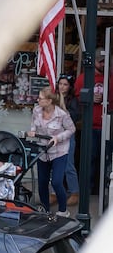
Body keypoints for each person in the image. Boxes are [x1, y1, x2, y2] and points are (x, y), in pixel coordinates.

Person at [28, 86, 76, 215]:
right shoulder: (36, 110)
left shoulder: (62, 115)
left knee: (56, 181)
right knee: (42, 183)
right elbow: (33, 123)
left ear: (49, 101)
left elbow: (71, 130)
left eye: (41, 98)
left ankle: (63, 210)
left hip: (59, 152)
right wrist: (32, 131)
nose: (38, 100)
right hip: (43, 151)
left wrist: (58, 137)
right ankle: (45, 210)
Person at [74, 52, 105, 199]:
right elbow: (77, 97)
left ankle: (103, 192)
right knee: (89, 159)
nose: (103, 64)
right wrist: (90, 97)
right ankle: (88, 192)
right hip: (90, 126)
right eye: (101, 61)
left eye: (106, 61)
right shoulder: (83, 78)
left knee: (105, 161)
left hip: (106, 125)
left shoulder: (110, 78)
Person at [58, 73, 81, 201]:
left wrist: (65, 111)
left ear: (69, 87)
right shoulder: (54, 97)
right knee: (53, 165)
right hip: (55, 134)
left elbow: (76, 115)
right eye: (60, 84)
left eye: (65, 84)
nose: (62, 87)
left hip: (68, 135)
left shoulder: (73, 100)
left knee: (68, 164)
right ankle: (55, 192)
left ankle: (74, 192)